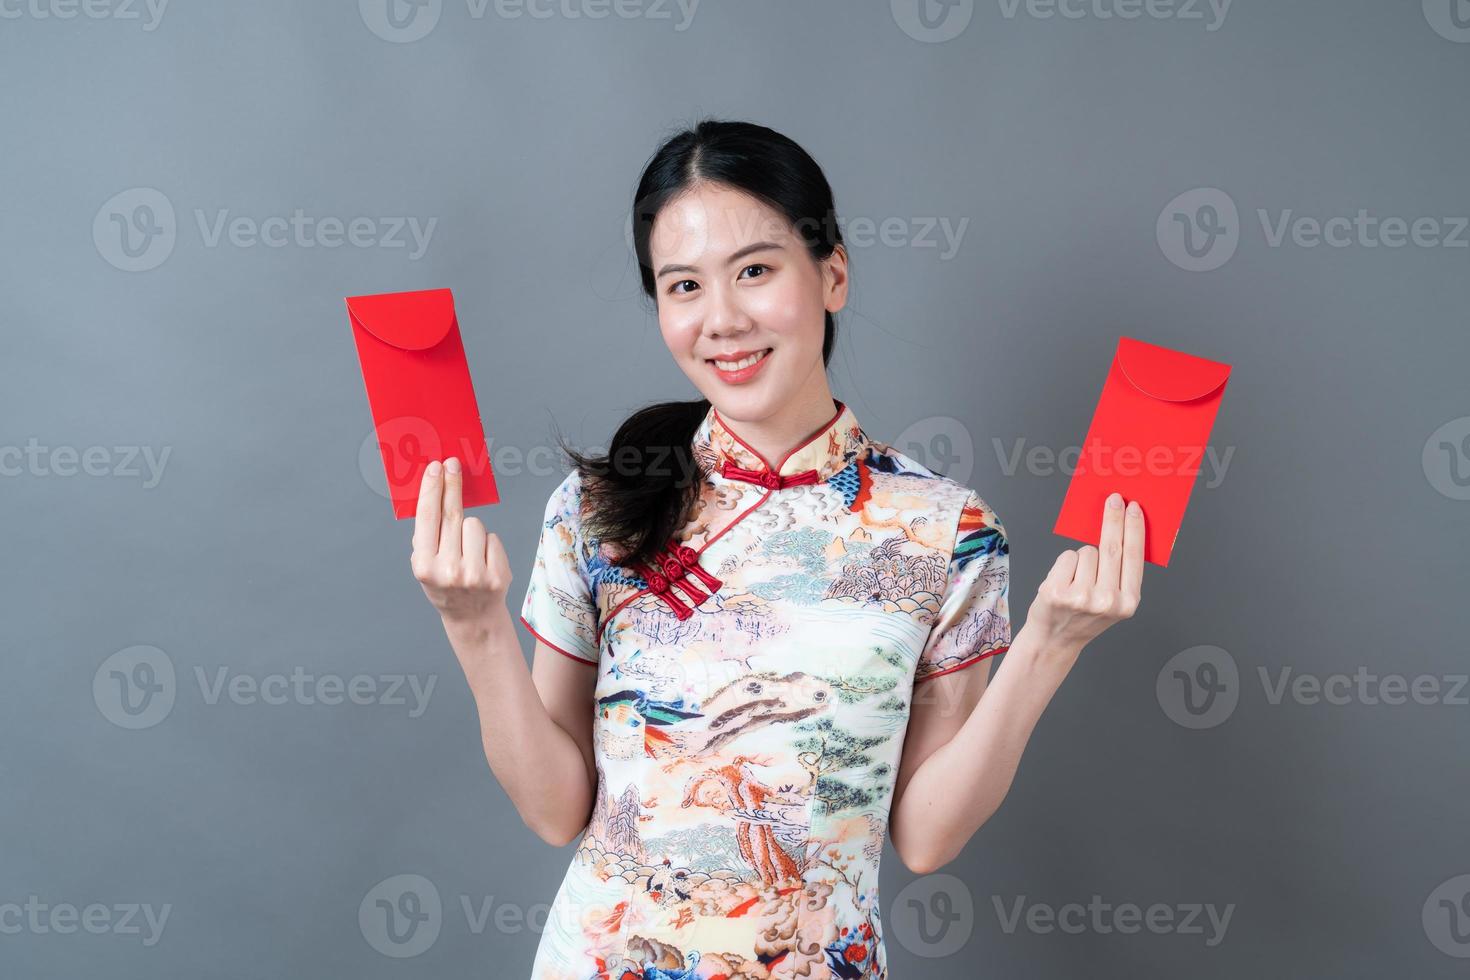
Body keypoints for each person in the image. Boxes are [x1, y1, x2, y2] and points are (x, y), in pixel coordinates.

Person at [408, 119, 1145, 980]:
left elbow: (927, 836)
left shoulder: (947, 530)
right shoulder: (597, 509)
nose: (721, 319)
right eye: (683, 286)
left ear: (832, 273)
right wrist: (474, 627)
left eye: (755, 270)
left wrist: (1051, 644)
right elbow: (553, 810)